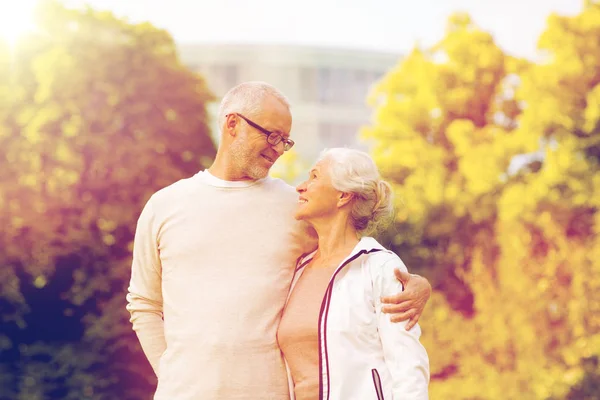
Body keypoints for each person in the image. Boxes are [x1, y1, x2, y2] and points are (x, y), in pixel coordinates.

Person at [126, 81, 432, 399]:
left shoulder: (296, 209)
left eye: (285, 141)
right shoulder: (164, 205)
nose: (278, 149)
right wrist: (173, 375)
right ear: (232, 124)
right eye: (271, 135)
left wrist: (417, 285)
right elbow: (144, 303)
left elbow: (350, 257)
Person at [277, 148, 430, 400]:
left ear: (343, 195)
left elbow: (408, 366)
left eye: (314, 177)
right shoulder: (297, 270)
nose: (300, 187)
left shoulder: (378, 267)